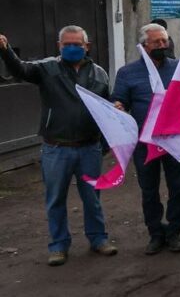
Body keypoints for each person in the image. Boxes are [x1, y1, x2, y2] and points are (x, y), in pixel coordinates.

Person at [0, 26, 116, 265]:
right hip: (56, 148)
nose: (72, 48)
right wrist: (5, 51)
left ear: (87, 46)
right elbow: (20, 70)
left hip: (89, 148)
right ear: (59, 46)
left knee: (92, 198)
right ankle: (59, 246)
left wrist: (107, 142)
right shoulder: (46, 68)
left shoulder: (99, 74)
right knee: (55, 199)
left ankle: (98, 239)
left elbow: (107, 110)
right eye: (67, 44)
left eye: (77, 44)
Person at [112, 23, 180, 256]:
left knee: (177, 188)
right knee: (149, 190)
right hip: (144, 144)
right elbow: (119, 99)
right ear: (144, 46)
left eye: (165, 41)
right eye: (157, 42)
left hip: (174, 140)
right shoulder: (127, 73)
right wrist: (119, 106)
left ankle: (174, 232)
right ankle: (155, 233)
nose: (163, 45)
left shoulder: (178, 68)